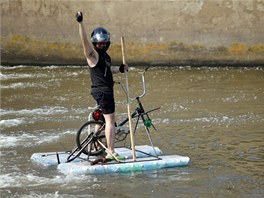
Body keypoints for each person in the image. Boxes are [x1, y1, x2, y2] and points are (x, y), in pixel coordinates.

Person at [76, 11, 128, 160]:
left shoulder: (105, 57)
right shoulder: (93, 55)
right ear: (95, 43)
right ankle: (111, 151)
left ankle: (96, 145)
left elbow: (108, 70)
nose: (102, 45)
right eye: (99, 43)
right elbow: (84, 42)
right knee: (110, 121)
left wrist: (120, 69)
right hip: (103, 92)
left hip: (103, 91)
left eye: (104, 43)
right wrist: (80, 23)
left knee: (101, 120)